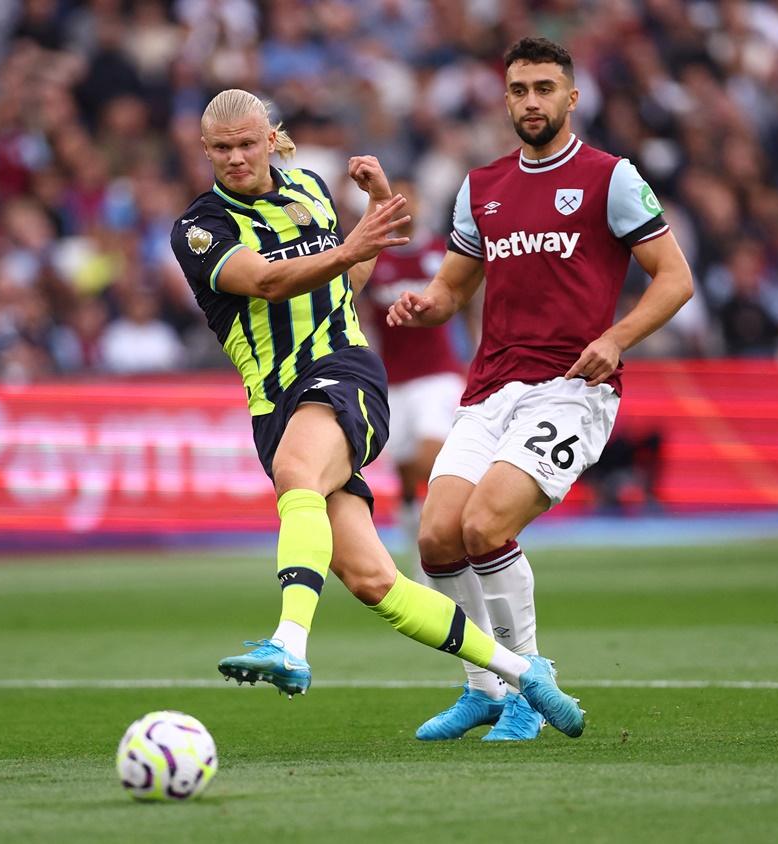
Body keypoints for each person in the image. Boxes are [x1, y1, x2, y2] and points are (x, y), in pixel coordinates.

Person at [169, 88, 586, 738]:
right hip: (275, 403)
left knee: (298, 476)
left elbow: (346, 283)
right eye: (221, 148)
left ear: (270, 138)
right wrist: (353, 240)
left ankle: (288, 643)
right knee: (372, 580)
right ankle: (522, 675)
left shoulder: (306, 187)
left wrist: (369, 209)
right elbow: (268, 280)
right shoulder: (199, 227)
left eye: (247, 143)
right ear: (205, 150)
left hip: (342, 372)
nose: (236, 158)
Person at [388, 37, 694, 741]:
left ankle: (529, 681)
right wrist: (425, 306)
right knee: (436, 540)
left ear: (571, 97)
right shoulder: (481, 187)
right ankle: (485, 688)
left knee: (485, 526)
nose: (532, 101)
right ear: (505, 99)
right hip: (490, 387)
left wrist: (615, 338)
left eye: (544, 89)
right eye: (520, 89)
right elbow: (452, 286)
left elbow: (674, 278)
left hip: (570, 389)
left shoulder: (610, 177)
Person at [359, 178, 466, 573]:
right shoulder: (373, 256)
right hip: (393, 380)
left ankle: (459, 532)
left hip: (437, 374)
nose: (403, 207)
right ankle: (421, 558)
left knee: (428, 459)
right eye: (394, 200)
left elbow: (468, 300)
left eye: (409, 197)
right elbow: (358, 310)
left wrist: (475, 351)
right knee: (405, 473)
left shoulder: (441, 251)